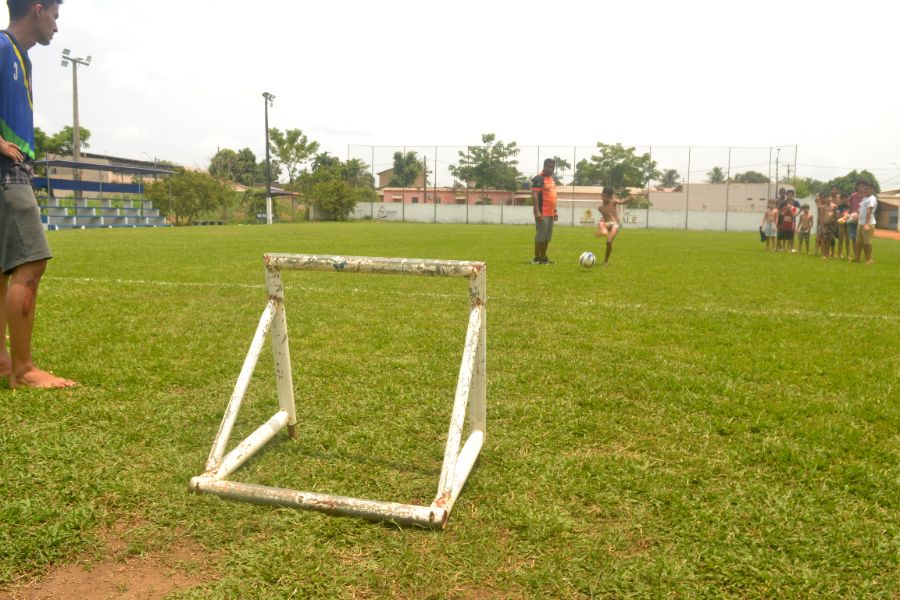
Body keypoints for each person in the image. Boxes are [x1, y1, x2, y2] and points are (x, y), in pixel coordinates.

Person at [0, 0, 75, 388]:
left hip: (13, 169)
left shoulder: (19, 57)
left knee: (2, 268)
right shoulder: (1, 47)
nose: (56, 27)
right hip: (6, 172)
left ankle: (3, 361)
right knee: (31, 262)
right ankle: (25, 371)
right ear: (38, 10)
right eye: (55, 17)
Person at [531, 158, 558, 264]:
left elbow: (553, 196)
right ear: (544, 166)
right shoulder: (539, 178)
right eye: (549, 167)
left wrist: (555, 211)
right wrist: (537, 212)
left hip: (550, 213)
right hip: (542, 212)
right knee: (541, 236)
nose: (551, 169)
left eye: (553, 167)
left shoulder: (551, 179)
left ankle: (544, 257)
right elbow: (535, 195)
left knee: (547, 237)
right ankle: (537, 258)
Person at [594, 187, 631, 266]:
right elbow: (605, 216)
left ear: (611, 197)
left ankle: (606, 261)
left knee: (609, 242)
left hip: (615, 225)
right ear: (601, 195)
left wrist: (629, 199)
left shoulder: (613, 202)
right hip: (607, 224)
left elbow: (623, 202)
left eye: (607, 197)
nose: (605, 198)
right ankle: (603, 231)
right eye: (604, 196)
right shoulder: (600, 208)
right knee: (601, 223)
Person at [854, 182, 878, 264]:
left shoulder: (872, 198)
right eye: (864, 189)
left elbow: (869, 211)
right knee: (858, 242)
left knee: (867, 243)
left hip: (868, 223)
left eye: (867, 189)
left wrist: (867, 224)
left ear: (872, 189)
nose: (865, 190)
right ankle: (857, 259)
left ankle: (868, 259)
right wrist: (857, 216)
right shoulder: (864, 198)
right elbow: (860, 209)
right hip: (861, 223)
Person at [816, 193, 837, 259]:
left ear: (831, 199)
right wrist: (822, 227)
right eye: (827, 198)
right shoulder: (823, 207)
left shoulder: (834, 206)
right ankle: (823, 254)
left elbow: (835, 216)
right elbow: (821, 217)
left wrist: (834, 224)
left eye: (829, 198)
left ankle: (827, 254)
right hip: (824, 225)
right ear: (824, 199)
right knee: (823, 240)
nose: (828, 199)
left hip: (831, 225)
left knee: (829, 240)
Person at [835, 188, 851, 259]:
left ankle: (848, 255)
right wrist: (841, 215)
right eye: (842, 198)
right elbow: (837, 216)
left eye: (845, 198)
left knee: (848, 240)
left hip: (849, 224)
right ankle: (839, 255)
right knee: (840, 239)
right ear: (841, 199)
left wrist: (848, 215)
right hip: (841, 224)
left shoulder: (850, 206)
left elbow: (852, 214)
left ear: (848, 198)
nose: (844, 199)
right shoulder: (840, 206)